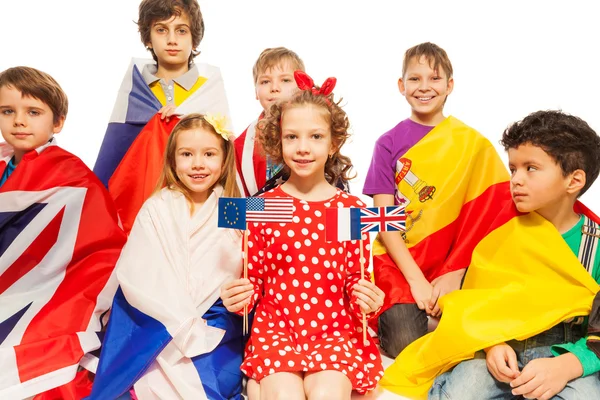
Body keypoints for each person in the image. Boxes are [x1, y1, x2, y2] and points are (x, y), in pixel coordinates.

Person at [221, 71, 384, 399]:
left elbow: (354, 275)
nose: (303, 148)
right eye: (292, 137)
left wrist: (369, 297)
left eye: (315, 137)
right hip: (277, 331)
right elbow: (256, 279)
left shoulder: (348, 209)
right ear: (278, 141)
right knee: (285, 395)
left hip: (333, 332)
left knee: (327, 394)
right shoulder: (263, 207)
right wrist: (240, 297)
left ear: (333, 142)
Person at [426, 110, 600, 400]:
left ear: (574, 181)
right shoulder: (501, 232)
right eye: (513, 169)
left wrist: (568, 365)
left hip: (566, 353)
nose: (516, 180)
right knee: (459, 393)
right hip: (500, 347)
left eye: (530, 168)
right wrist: (491, 345)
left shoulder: (593, 244)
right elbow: (476, 303)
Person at [363, 42, 511, 357]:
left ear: (449, 85)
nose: (425, 87)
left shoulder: (474, 143)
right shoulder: (387, 144)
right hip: (400, 261)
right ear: (401, 86)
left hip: (454, 262)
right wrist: (416, 282)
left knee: (497, 302)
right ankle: (449, 332)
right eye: (414, 79)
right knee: (402, 340)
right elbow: (383, 222)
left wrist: (455, 271)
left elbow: (493, 213)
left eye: (434, 78)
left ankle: (453, 328)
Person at [91, 113, 245, 400]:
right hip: (156, 321)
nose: (198, 164)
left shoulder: (234, 207)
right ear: (172, 160)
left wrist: (350, 215)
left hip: (215, 321)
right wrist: (182, 321)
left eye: (209, 154)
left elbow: (294, 215)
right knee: (141, 384)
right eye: (186, 154)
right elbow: (138, 271)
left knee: (211, 385)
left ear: (224, 159)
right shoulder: (158, 205)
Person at [0, 66, 126, 399]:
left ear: (57, 122)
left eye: (33, 112)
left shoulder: (73, 177)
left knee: (36, 356)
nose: (19, 121)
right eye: (7, 111)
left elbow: (102, 248)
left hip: (48, 296)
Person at [93, 0, 230, 233]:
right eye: (161, 30)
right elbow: (114, 157)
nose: (172, 40)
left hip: (196, 213)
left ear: (194, 39)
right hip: (143, 209)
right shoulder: (134, 90)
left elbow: (227, 163)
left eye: (181, 30)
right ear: (148, 38)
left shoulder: (209, 88)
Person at [234, 46, 305, 196]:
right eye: (265, 81)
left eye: (285, 80)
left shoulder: (317, 129)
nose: (274, 88)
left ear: (302, 86)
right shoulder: (242, 143)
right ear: (256, 91)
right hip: (263, 214)